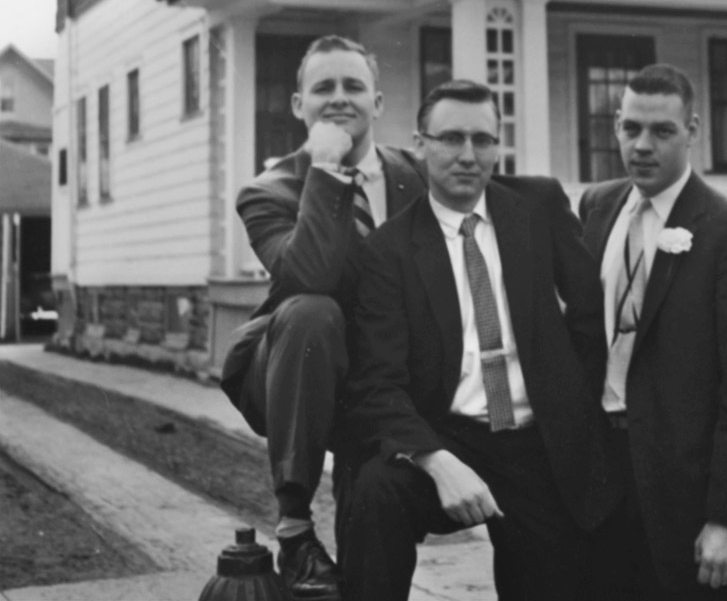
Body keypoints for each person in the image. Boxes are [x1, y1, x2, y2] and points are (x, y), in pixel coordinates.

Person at [336, 79, 619, 600]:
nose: (468, 155)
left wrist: (573, 403)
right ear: (420, 145)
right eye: (450, 139)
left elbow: (588, 314)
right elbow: (378, 380)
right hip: (451, 434)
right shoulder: (389, 250)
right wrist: (434, 460)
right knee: (376, 491)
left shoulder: (537, 206)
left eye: (483, 140)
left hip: (538, 438)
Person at [219, 35, 426, 600]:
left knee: (371, 543)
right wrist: (326, 167)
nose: (339, 99)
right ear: (298, 105)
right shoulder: (268, 191)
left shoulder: (420, 180)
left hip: (383, 382)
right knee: (312, 312)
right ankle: (294, 526)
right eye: (323, 88)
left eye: (353, 86)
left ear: (378, 103)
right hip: (296, 373)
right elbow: (309, 276)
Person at [578, 64, 727, 600]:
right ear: (616, 124)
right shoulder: (597, 206)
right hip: (605, 486)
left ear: (692, 130)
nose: (642, 145)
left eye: (662, 131)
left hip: (689, 496)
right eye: (630, 128)